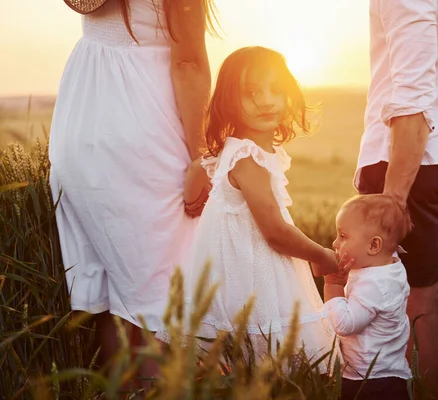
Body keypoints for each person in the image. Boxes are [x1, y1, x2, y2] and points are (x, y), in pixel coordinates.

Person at [49, 0, 215, 383]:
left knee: (117, 291)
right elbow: (187, 63)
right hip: (142, 128)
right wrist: (198, 157)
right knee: (163, 293)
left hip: (78, 124)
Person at [158, 46, 340, 363]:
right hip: (256, 275)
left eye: (276, 90)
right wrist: (321, 255)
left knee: (230, 364)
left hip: (228, 273)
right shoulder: (248, 158)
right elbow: (274, 231)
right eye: (251, 92)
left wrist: (194, 201)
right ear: (229, 100)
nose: (267, 100)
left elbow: (195, 170)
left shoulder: (229, 149)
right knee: (270, 354)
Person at [354, 0, 438, 398]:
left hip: (412, 168)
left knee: (412, 309)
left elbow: (412, 99)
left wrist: (393, 202)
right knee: (421, 303)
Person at [324, 194, 413, 400]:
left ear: (374, 246)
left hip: (370, 381)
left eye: (343, 236)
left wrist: (333, 286)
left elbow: (345, 325)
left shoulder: (375, 285)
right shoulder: (387, 265)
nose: (335, 242)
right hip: (389, 374)